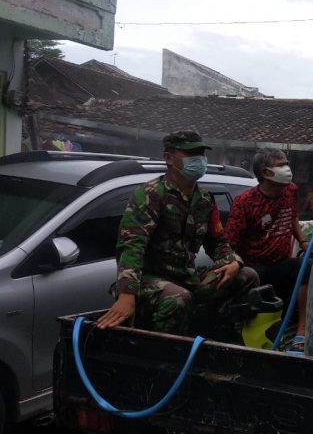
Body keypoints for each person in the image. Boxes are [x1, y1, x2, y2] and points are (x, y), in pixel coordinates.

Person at [97, 130, 258, 334]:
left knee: (247, 275)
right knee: (179, 298)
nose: (199, 160)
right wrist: (126, 294)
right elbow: (132, 245)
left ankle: (222, 336)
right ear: (169, 159)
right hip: (148, 282)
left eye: (201, 154)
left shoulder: (205, 200)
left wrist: (233, 262)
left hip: (186, 278)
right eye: (191, 154)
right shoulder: (150, 194)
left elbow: (217, 243)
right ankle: (165, 357)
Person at [224, 148, 311, 351]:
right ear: (265, 172)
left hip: (281, 263)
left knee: (305, 267)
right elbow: (229, 243)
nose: (287, 169)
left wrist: (303, 241)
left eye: (286, 163)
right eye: (281, 165)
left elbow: (292, 217)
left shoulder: (290, 190)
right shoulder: (245, 202)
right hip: (256, 269)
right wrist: (233, 264)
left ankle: (301, 332)